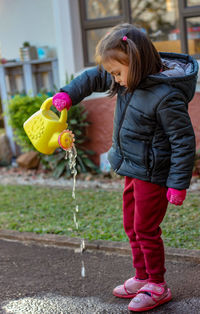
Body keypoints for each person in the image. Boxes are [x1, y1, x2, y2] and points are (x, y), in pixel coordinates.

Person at [52, 23, 198, 312]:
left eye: (118, 73)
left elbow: (183, 141)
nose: (115, 80)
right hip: (132, 167)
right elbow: (94, 77)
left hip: (154, 175)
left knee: (145, 227)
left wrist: (178, 184)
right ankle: (141, 276)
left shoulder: (166, 95)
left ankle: (157, 284)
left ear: (137, 62)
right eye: (113, 74)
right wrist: (68, 95)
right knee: (131, 224)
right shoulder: (129, 76)